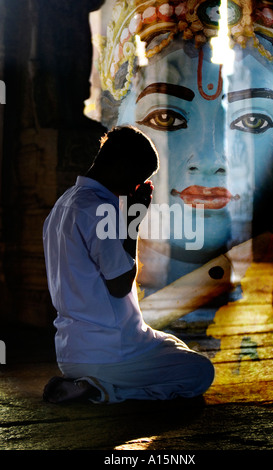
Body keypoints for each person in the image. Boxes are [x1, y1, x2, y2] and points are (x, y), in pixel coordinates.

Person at [86, 0, 273, 293]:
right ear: (113, 126)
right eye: (165, 117)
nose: (210, 159)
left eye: (252, 121)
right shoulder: (85, 218)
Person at [42, 125, 214, 404]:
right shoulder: (100, 208)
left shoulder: (62, 205)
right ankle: (101, 390)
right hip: (110, 351)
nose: (134, 188)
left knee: (174, 345)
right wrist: (133, 223)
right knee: (199, 371)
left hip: (71, 351)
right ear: (121, 166)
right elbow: (120, 284)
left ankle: (87, 382)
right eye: (136, 178)